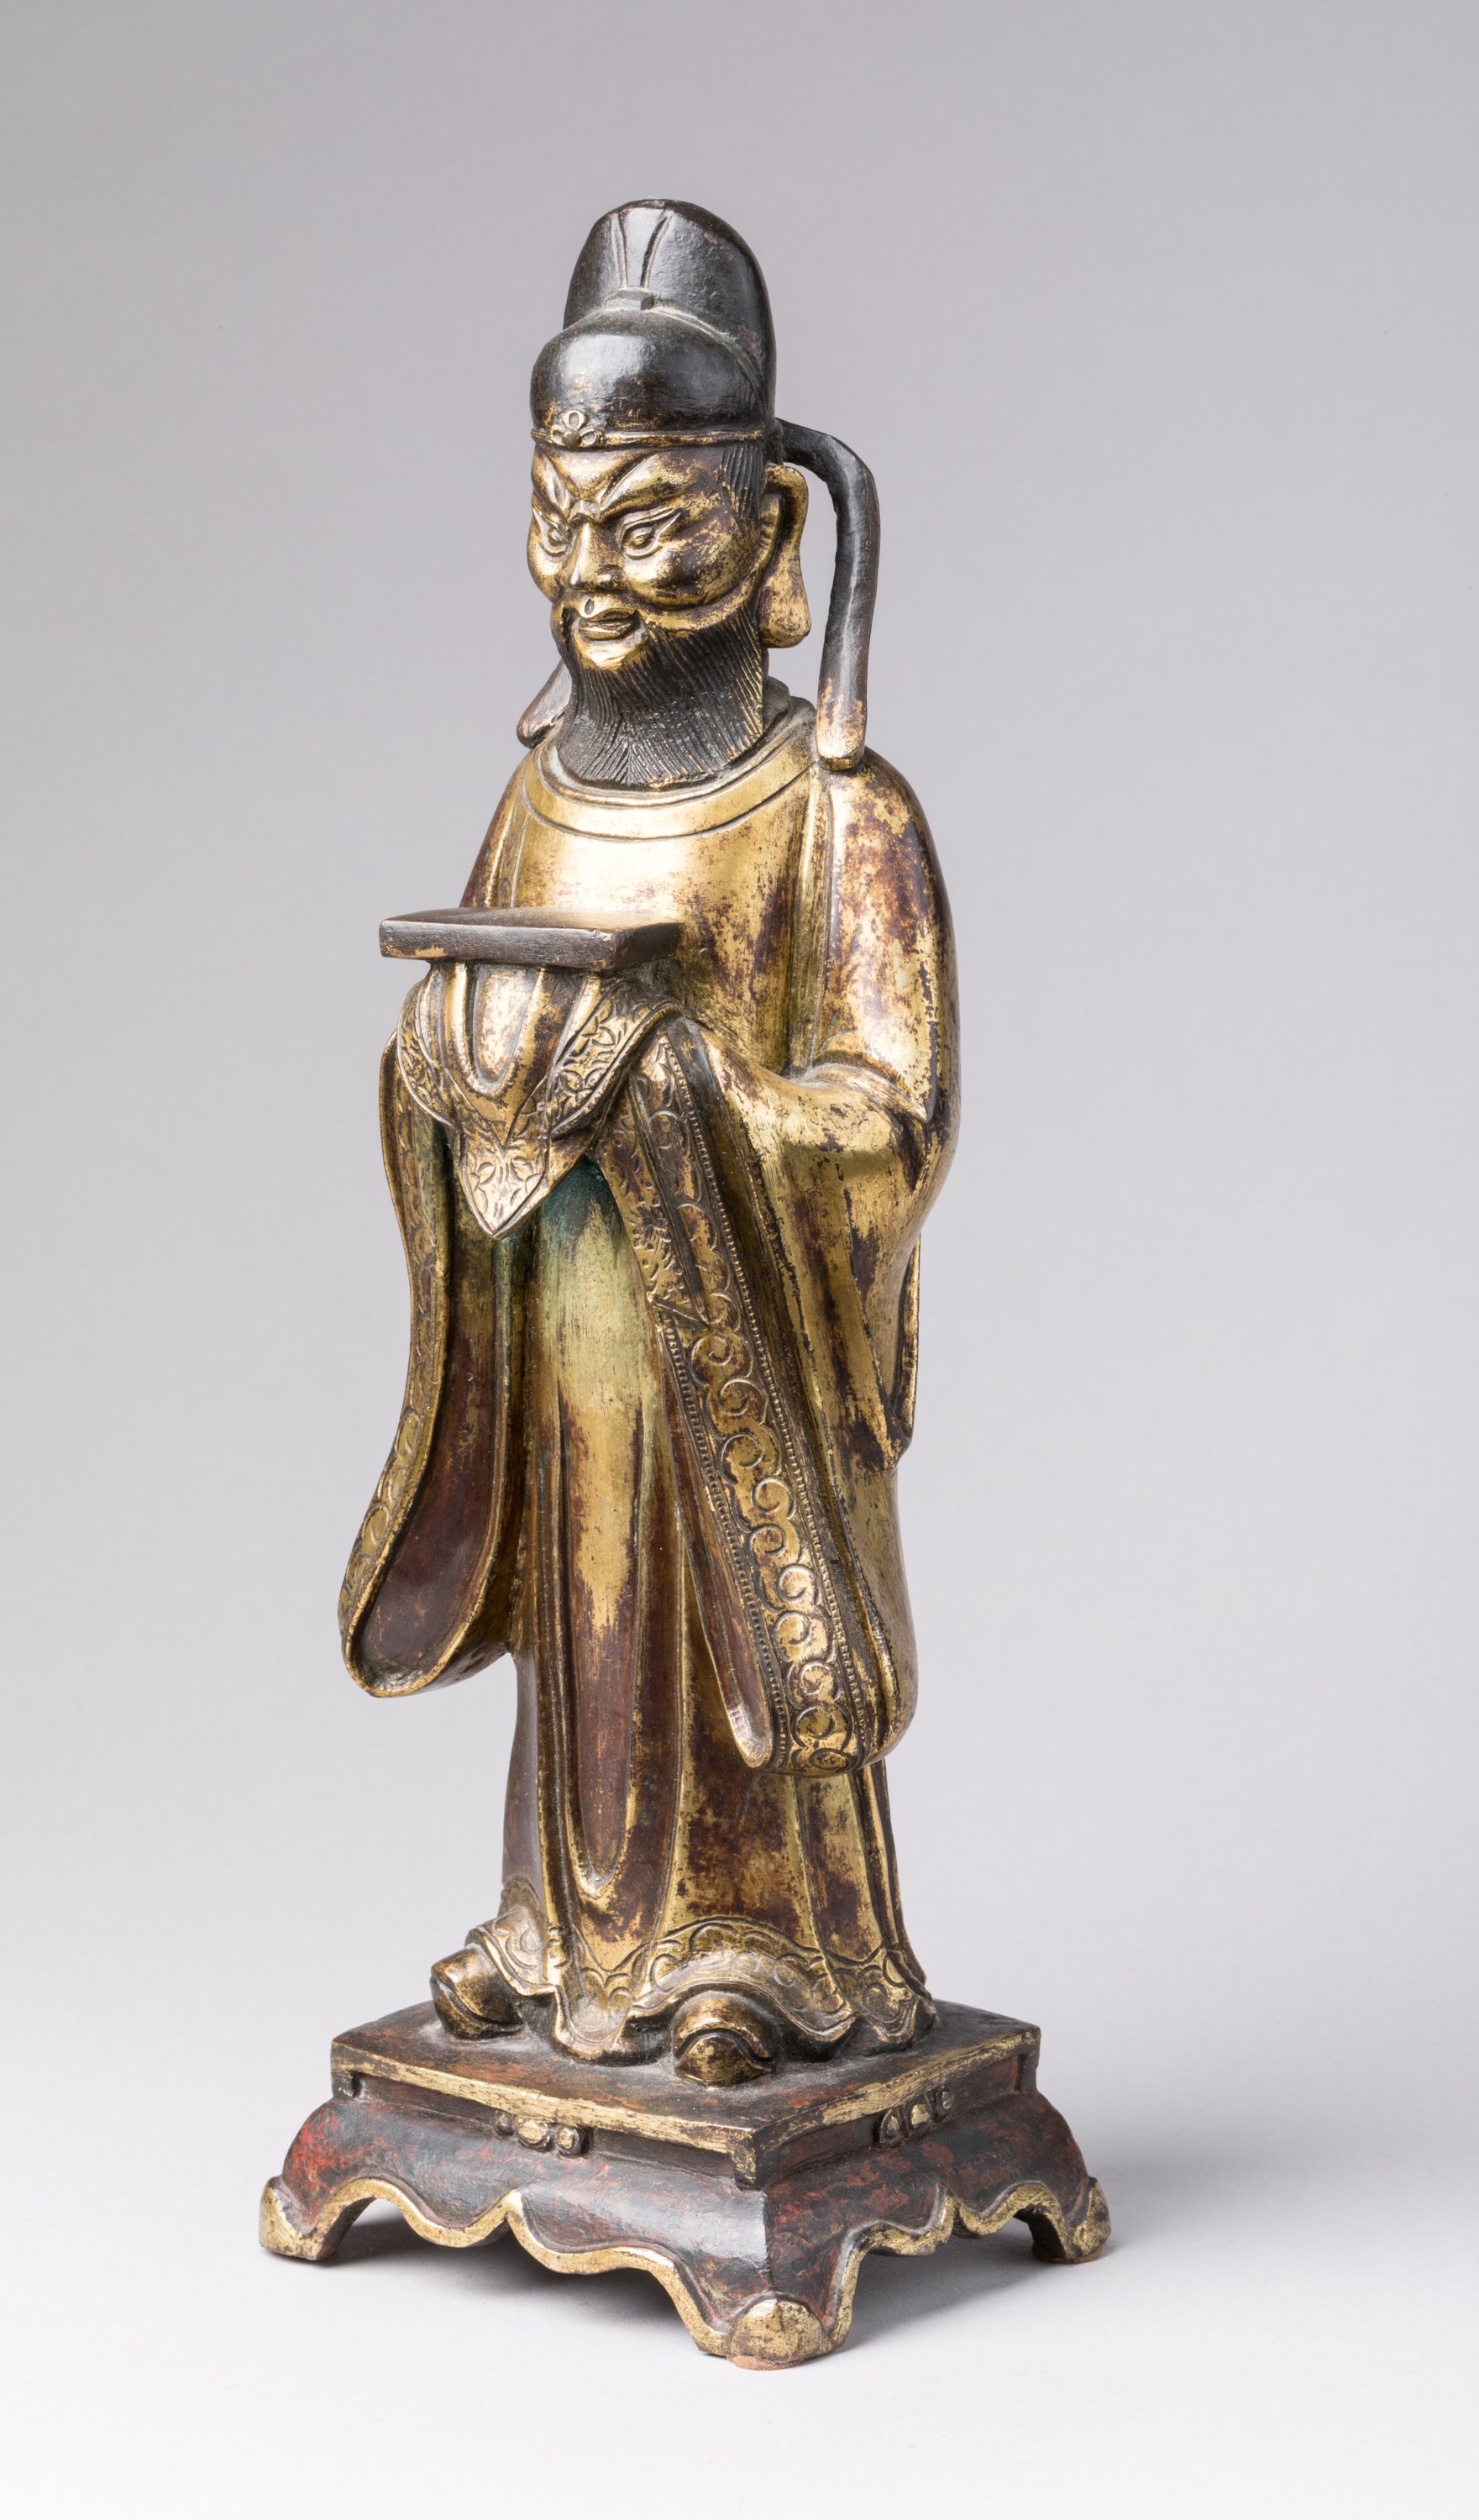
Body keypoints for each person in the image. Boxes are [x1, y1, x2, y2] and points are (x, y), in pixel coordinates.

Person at [340, 201, 959, 2089]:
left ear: (771, 535)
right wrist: (452, 1064)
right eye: (561, 521)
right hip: (563, 1310)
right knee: (582, 1611)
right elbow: (482, 1023)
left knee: (711, 1615)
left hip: (742, 1333)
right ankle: (560, 1935)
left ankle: (764, 1950)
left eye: (652, 524)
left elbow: (893, 1114)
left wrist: (686, 1088)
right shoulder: (536, 793)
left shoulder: (840, 813)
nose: (592, 575)